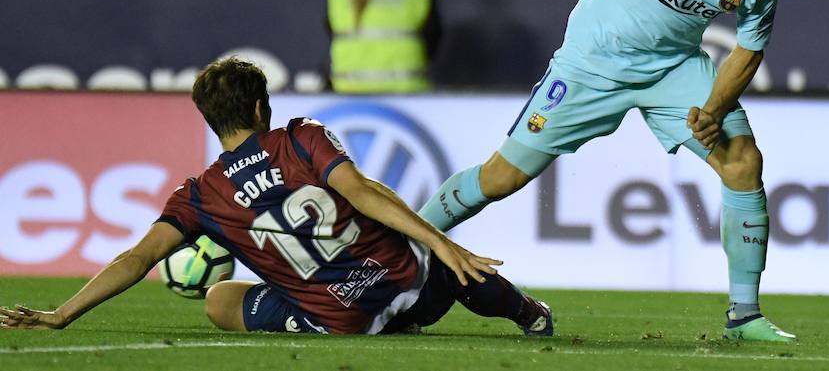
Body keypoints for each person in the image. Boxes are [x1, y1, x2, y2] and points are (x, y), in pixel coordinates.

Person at [418, 0, 799, 343]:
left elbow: (748, 50)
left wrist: (714, 109)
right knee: (501, 178)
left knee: (743, 164)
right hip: (591, 62)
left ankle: (744, 316)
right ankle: (399, 246)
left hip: (672, 69)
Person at [0, 58, 553, 337]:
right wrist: (439, 241)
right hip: (409, 286)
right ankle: (529, 314)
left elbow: (136, 259)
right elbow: (360, 192)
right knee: (443, 262)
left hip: (342, 322)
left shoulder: (199, 195)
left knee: (218, 299)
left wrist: (62, 313)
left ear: (212, 122)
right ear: (262, 109)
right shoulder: (301, 137)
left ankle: (344, 310)